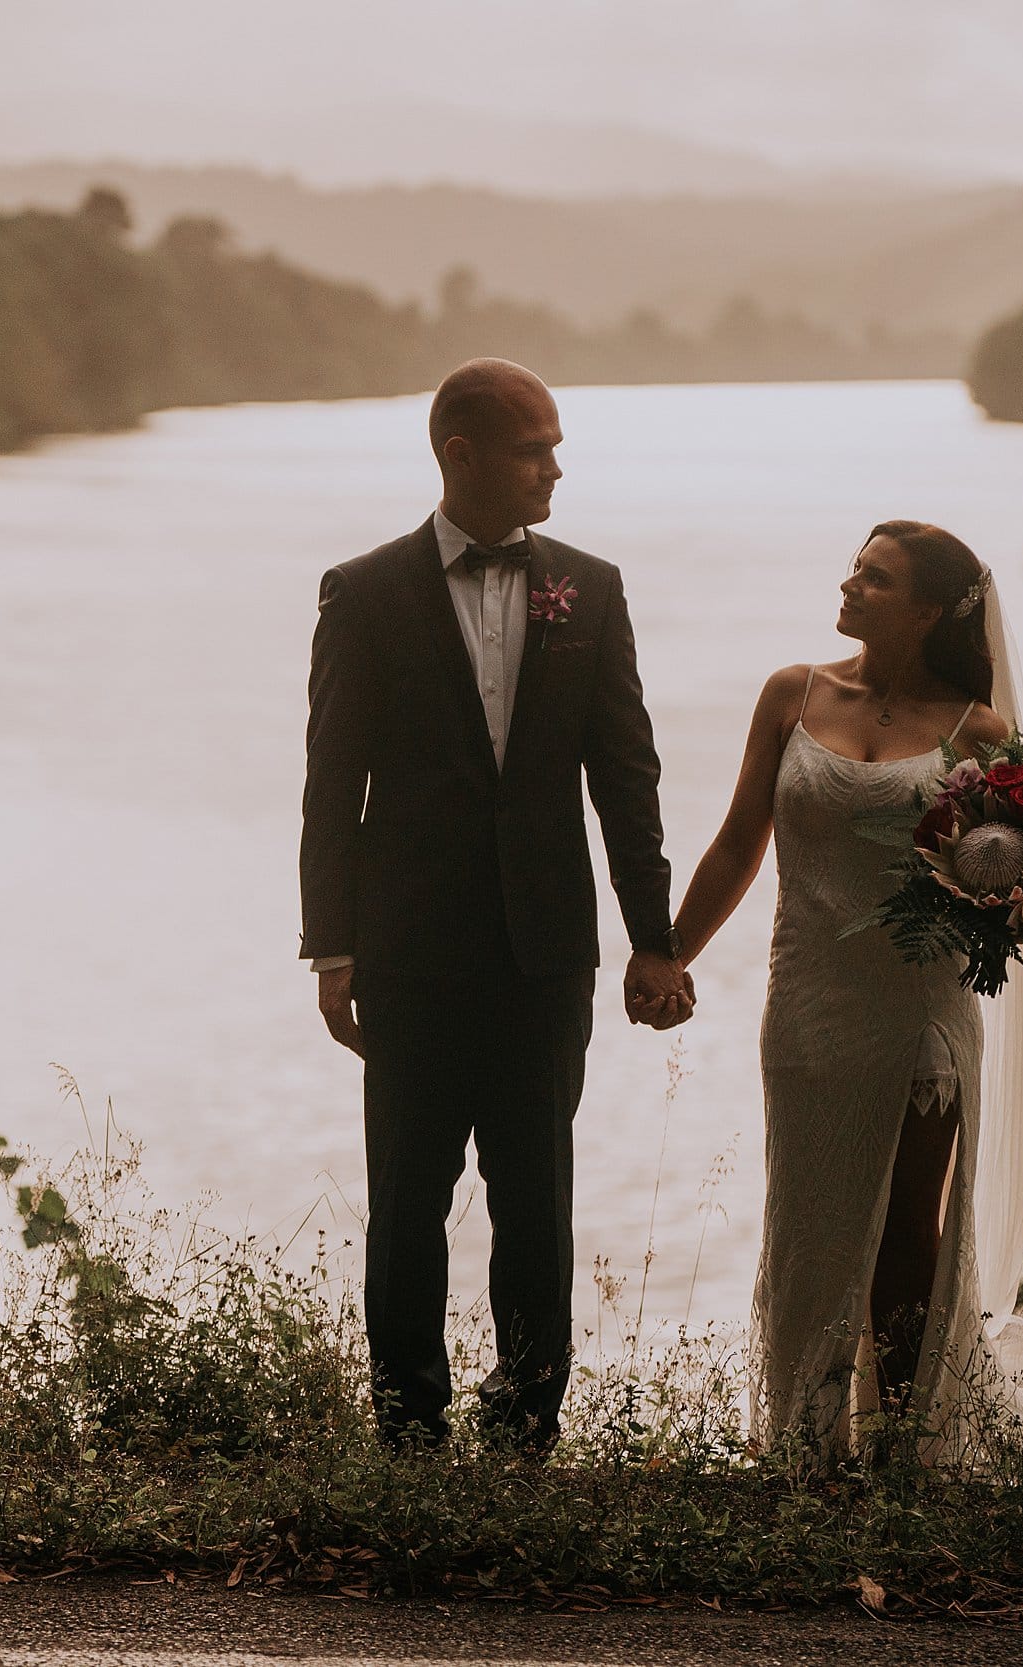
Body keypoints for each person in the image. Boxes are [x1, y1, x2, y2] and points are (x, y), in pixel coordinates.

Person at [298, 358, 691, 1452]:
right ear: (458, 455)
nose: (555, 465)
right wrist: (330, 948)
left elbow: (627, 777)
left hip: (544, 954)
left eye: (556, 444)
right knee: (407, 1207)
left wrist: (652, 939)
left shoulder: (590, 588)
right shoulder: (363, 591)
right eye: (534, 447)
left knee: (536, 1204)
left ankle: (524, 1430)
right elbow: (333, 782)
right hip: (409, 953)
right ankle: (407, 1433)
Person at [663, 520, 1023, 1456]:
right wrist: (669, 954)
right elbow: (738, 840)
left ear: (923, 611)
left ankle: (902, 1456)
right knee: (811, 1233)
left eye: (874, 579)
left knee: (910, 1232)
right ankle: (808, 1447)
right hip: (808, 1008)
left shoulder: (979, 732)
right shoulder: (793, 694)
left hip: (921, 1015)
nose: (850, 585)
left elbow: (1018, 883)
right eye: (853, 570)